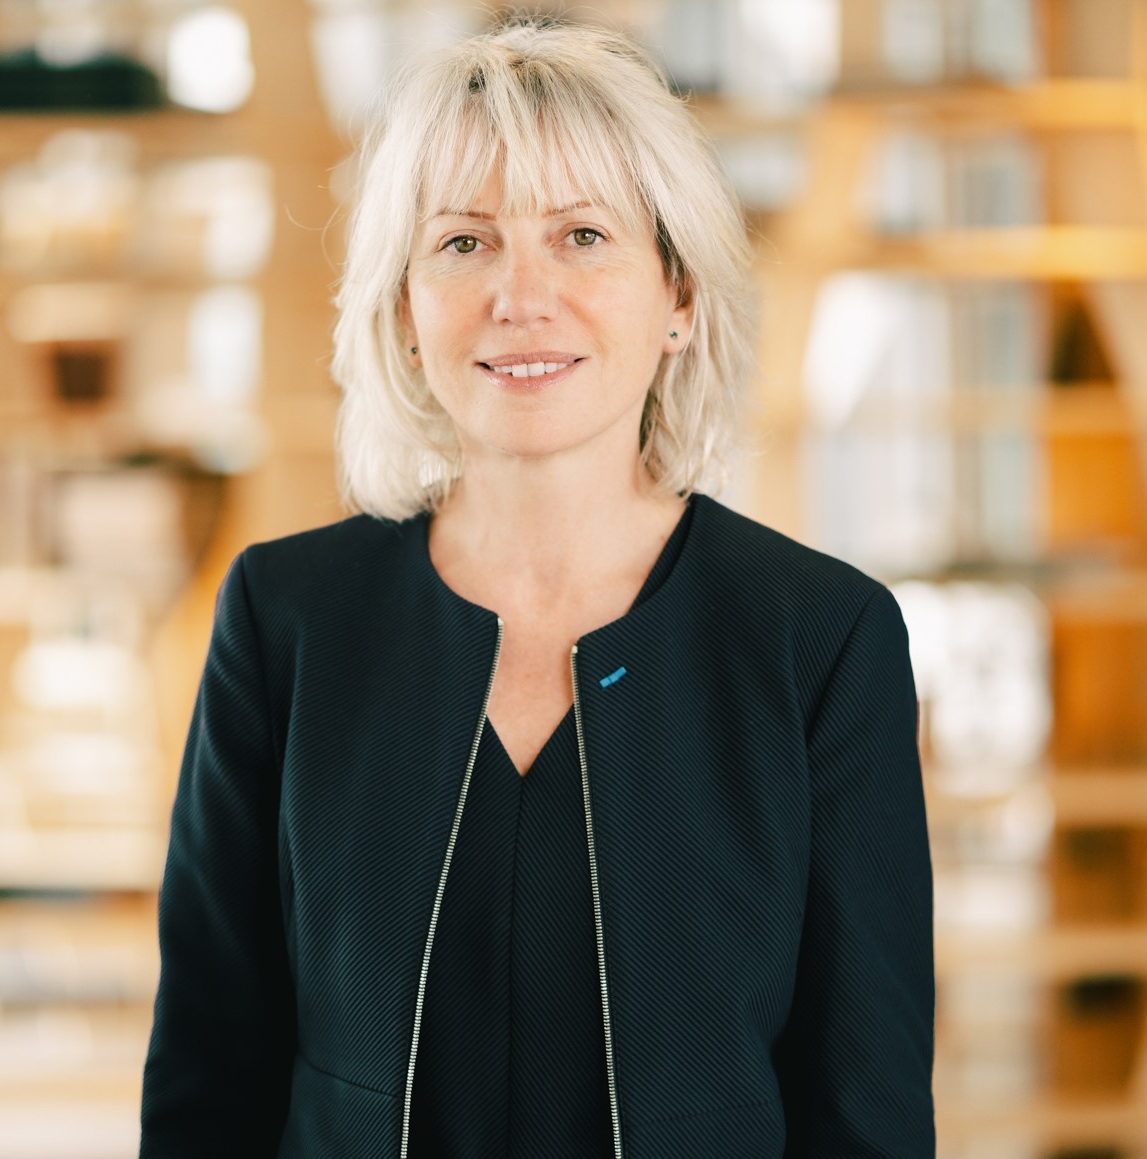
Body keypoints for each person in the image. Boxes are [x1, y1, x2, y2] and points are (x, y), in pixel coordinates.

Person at [140, 16, 934, 1159]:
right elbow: (207, 1077)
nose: (520, 295)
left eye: (582, 235)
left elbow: (868, 1112)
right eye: (464, 242)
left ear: (678, 296)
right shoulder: (285, 620)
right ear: (404, 308)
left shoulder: (824, 640)